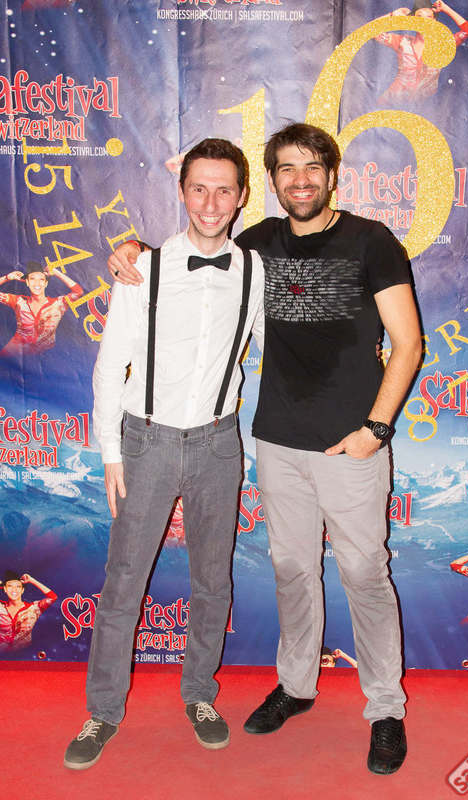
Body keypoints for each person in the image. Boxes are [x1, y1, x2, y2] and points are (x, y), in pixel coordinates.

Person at [108, 122, 422, 775]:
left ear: (332, 175)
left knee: (364, 574)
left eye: (312, 168)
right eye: (287, 169)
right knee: (292, 572)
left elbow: (408, 343)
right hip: (277, 442)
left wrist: (375, 429)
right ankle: (297, 686)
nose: (300, 180)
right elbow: (191, 251)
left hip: (352, 446)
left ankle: (385, 708)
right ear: (270, 181)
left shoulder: (372, 241)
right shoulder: (256, 244)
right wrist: (132, 249)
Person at [64, 138, 264, 770]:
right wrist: (110, 452)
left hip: (218, 443)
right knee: (123, 581)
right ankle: (103, 711)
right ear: (181, 192)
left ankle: (200, 694)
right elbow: (108, 367)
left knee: (213, 580)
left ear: (241, 196)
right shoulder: (141, 268)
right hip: (145, 442)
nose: (210, 202)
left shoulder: (256, 272)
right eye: (198, 187)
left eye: (224, 189)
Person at [375, 1, 468, 105]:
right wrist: (392, 15)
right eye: (419, 17)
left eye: (429, 17)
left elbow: (467, 30)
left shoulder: (442, 46)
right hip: (391, 102)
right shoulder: (402, 42)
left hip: (423, 107)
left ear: (434, 21)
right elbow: (372, 31)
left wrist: (445, 9)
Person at [0, 262, 83, 357]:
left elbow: (78, 292)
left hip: (44, 357)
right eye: (32, 279)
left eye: (41, 279)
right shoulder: (19, 301)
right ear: (27, 282)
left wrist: (57, 273)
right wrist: (7, 278)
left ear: (46, 283)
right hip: (16, 355)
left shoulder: (58, 304)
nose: (37, 283)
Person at [0, 570, 57, 651]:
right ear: (4, 589)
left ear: (22, 590)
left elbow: (53, 597)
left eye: (18, 586)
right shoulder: (1, 607)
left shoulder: (33, 608)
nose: (14, 590)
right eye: (10, 586)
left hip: (24, 653)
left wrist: (31, 580)